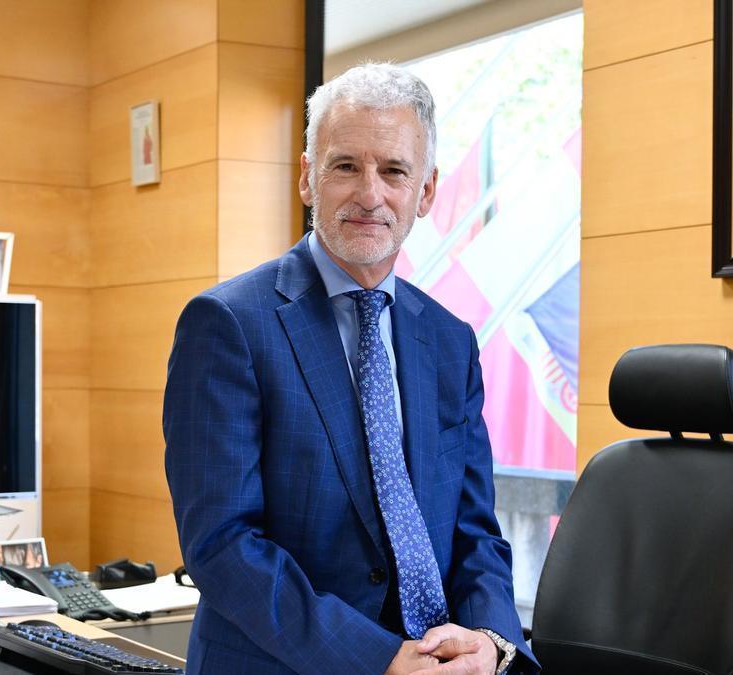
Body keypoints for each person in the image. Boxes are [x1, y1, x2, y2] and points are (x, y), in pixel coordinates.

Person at [163, 63, 536, 675]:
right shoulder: (228, 324)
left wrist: (491, 642)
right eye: (345, 166)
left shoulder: (449, 340)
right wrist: (379, 659)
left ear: (427, 190)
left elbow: (476, 530)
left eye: (394, 170)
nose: (370, 194)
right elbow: (222, 544)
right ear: (308, 178)